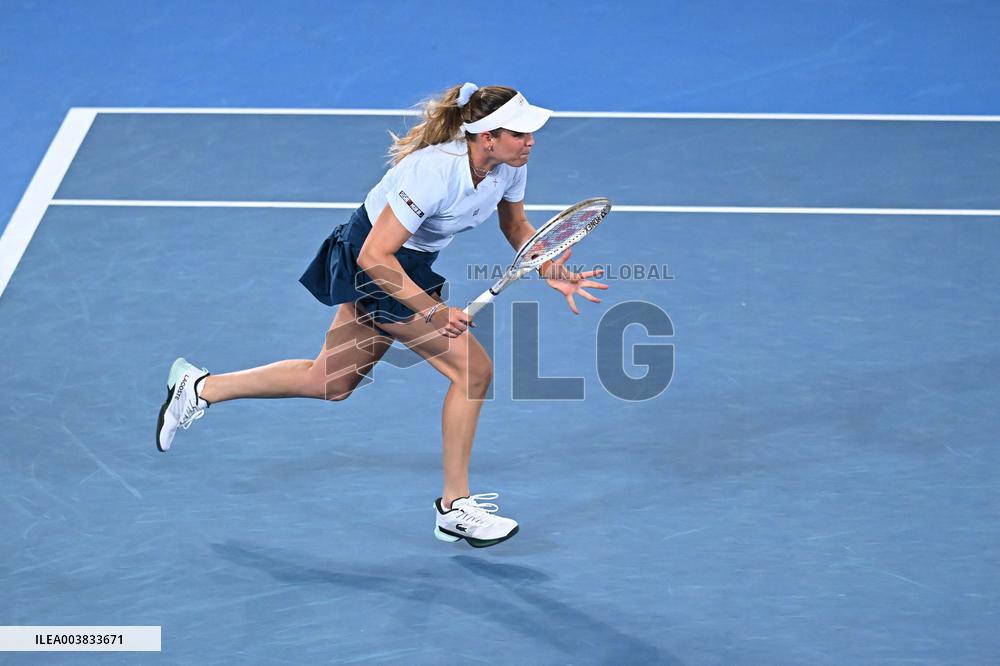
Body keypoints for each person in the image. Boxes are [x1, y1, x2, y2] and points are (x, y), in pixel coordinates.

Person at [155, 83, 607, 548]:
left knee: (330, 382)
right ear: (486, 136)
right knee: (473, 371)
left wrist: (553, 268)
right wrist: (432, 311)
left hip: (403, 263)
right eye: (521, 133)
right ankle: (454, 507)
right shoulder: (434, 172)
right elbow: (375, 257)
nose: (531, 141)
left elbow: (516, 227)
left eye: (532, 133)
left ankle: (200, 387)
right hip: (371, 257)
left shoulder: (508, 168)